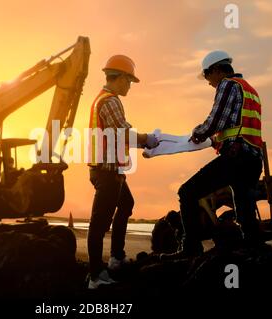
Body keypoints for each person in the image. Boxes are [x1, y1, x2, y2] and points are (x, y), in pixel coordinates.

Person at [161, 50, 263, 260]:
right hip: (253, 159)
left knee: (187, 192)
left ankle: (191, 248)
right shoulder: (250, 90)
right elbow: (237, 125)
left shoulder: (228, 85)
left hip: (236, 157)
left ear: (216, 70)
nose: (208, 82)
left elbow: (216, 120)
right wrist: (216, 140)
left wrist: (197, 134)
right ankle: (253, 250)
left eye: (207, 76)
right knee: (244, 207)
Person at [87, 55, 159, 289]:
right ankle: (96, 276)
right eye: (129, 81)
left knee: (126, 204)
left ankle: (116, 258)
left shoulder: (105, 99)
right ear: (119, 78)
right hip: (106, 172)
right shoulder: (110, 101)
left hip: (110, 170)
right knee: (99, 223)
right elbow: (122, 132)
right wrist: (147, 139)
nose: (130, 86)